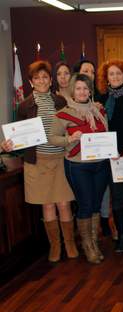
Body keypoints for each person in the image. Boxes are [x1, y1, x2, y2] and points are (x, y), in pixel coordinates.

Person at [1, 60, 77, 263]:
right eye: (37, 78)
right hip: (37, 161)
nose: (42, 81)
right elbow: (18, 135)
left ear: (51, 80)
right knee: (48, 205)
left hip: (60, 159)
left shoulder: (60, 101)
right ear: (30, 81)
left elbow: (70, 126)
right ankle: (55, 246)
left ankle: (69, 243)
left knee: (63, 203)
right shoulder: (24, 105)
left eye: (45, 77)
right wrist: (8, 145)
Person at [49, 73, 110, 264]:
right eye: (78, 88)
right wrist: (69, 139)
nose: (82, 92)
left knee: (96, 204)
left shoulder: (100, 111)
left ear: (90, 91)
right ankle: (87, 245)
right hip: (77, 166)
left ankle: (94, 242)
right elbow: (52, 138)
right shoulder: (63, 114)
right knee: (85, 205)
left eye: (85, 88)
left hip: (100, 165)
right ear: (73, 91)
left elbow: (107, 134)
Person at [97, 59, 123, 253]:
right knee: (117, 197)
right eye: (111, 74)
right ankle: (121, 235)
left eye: (118, 74)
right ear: (106, 78)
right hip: (111, 156)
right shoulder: (102, 99)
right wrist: (108, 150)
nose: (114, 77)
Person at [74, 59, 112, 237]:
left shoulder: (101, 100)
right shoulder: (69, 104)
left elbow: (107, 127)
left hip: (100, 158)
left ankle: (100, 228)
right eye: (85, 70)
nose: (89, 73)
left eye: (92, 71)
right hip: (78, 160)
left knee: (100, 196)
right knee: (85, 200)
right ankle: (86, 238)